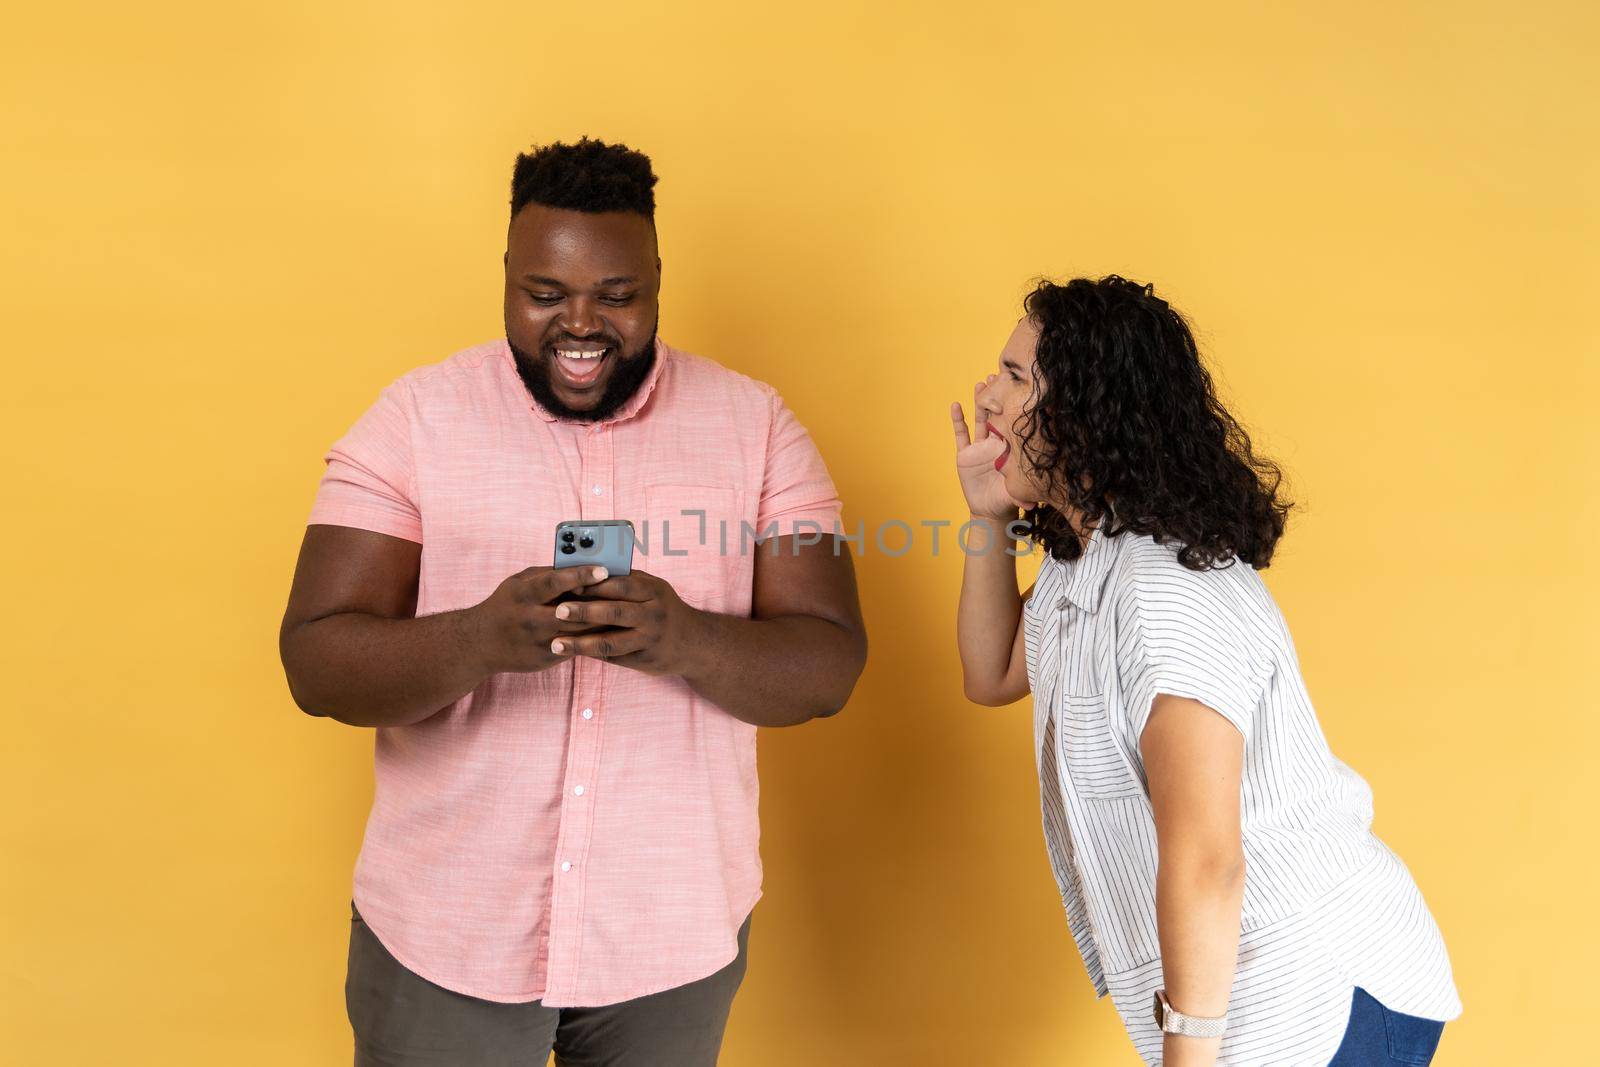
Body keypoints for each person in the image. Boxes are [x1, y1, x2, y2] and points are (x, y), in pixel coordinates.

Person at [279, 138, 867, 1066]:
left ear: (659, 280)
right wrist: (482, 639)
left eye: (617, 296)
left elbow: (829, 663)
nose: (580, 325)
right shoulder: (413, 421)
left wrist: (685, 640)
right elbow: (314, 660)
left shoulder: (756, 427)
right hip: (445, 935)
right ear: (508, 278)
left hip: (670, 939)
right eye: (545, 295)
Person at [950, 276, 1459, 1065]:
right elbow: (990, 672)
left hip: (1320, 999)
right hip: (1244, 994)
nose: (985, 392)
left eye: (1016, 377)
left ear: (1086, 412)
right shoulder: (1086, 554)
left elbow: (1207, 860)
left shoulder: (1162, 598)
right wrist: (988, 515)